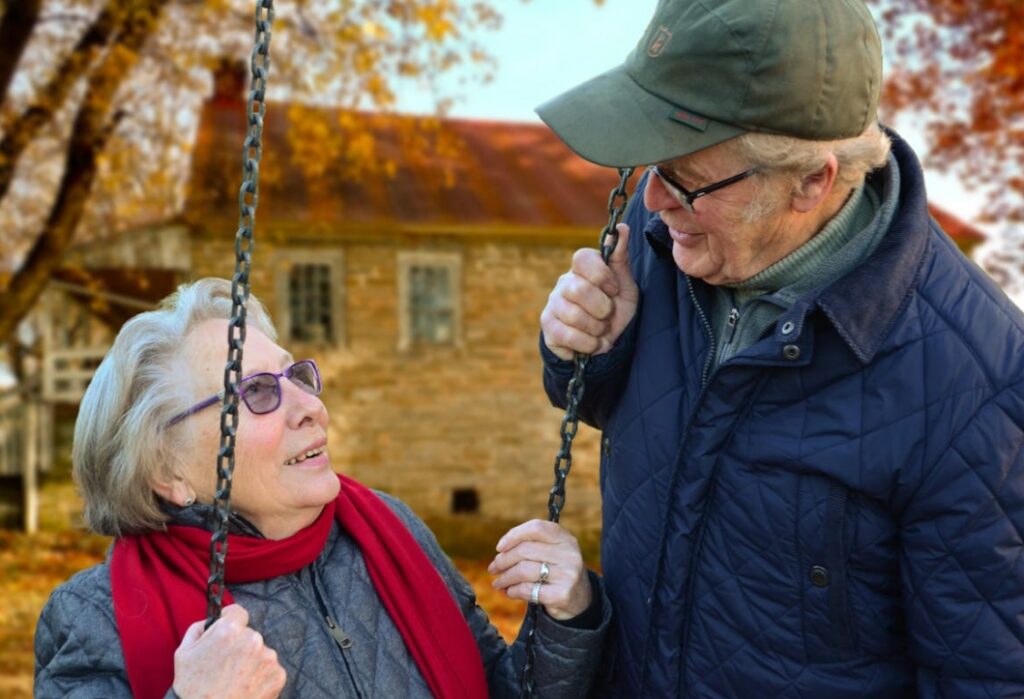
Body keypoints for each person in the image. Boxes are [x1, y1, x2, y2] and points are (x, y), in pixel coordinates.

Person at [536, 1, 1024, 697]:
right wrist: (581, 350)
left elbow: (989, 675)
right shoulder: (668, 240)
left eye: (686, 179)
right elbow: (614, 408)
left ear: (812, 181)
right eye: (649, 166)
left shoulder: (983, 387)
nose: (654, 197)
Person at [35, 278, 608, 699]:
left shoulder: (388, 529)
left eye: (297, 377)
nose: (310, 407)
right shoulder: (95, 616)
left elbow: (501, 691)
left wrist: (566, 617)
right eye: (258, 392)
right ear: (169, 473)